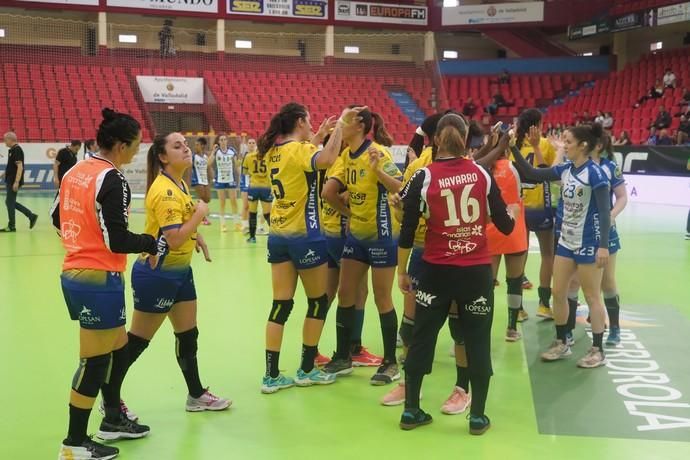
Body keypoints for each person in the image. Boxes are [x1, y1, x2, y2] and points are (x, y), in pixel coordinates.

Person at [397, 113, 515, 434]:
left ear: (435, 141)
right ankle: (477, 416)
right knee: (476, 340)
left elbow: (407, 231)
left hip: (435, 271)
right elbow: (505, 225)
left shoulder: (423, 176)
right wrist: (509, 214)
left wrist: (402, 272)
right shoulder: (481, 174)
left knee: (422, 338)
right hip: (475, 272)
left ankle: (411, 411)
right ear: (465, 140)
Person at [52, 108, 157, 460]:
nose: (137, 152)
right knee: (94, 362)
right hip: (96, 277)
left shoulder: (75, 171)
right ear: (120, 145)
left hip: (80, 273)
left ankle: (112, 418)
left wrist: (78, 242)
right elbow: (118, 240)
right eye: (135, 146)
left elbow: (57, 218)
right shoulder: (113, 179)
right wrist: (151, 243)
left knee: (116, 350)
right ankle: (73, 442)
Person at [124, 132, 231, 414]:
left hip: (180, 272)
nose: (185, 148)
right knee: (137, 342)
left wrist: (198, 236)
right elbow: (172, 239)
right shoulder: (165, 190)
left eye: (185, 144)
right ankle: (109, 398)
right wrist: (200, 213)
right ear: (162, 156)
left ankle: (196, 395)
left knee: (188, 334)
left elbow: (178, 227)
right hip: (157, 274)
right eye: (177, 146)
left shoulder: (179, 183)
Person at [511, 123, 612, 368]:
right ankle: (561, 342)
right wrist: (512, 146)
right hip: (566, 242)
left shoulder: (596, 174)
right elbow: (532, 174)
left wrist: (603, 246)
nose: (563, 146)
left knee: (591, 296)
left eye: (568, 142)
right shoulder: (566, 169)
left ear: (583, 146)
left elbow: (605, 212)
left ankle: (597, 349)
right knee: (558, 293)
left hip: (588, 243)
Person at [259, 102, 344, 393]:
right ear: (298, 121)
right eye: (309, 120)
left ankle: (271, 376)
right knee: (318, 301)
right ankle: (307, 369)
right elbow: (329, 157)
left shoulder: (274, 150)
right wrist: (341, 125)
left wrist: (317, 135)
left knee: (281, 304)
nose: (312, 125)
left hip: (278, 235)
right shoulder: (301, 150)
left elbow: (302, 155)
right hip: (306, 236)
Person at [322, 107, 403, 386]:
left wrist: (377, 170)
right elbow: (327, 192)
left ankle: (390, 362)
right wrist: (347, 215)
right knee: (346, 293)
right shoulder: (346, 155)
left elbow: (399, 187)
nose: (339, 124)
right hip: (356, 236)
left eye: (345, 119)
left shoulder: (379, 152)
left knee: (382, 297)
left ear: (359, 125)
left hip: (382, 236)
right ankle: (343, 357)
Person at [320, 135, 381, 368]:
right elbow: (330, 194)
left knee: (328, 293)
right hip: (343, 234)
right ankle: (354, 348)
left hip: (327, 232)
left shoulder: (325, 163)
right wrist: (350, 213)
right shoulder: (343, 163)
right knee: (359, 292)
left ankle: (312, 347)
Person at [511, 109, 557, 319]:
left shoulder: (513, 145)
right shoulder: (545, 143)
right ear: (537, 124)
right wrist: (538, 146)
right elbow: (547, 171)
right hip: (540, 206)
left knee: (520, 256)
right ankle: (543, 305)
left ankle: (518, 308)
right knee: (548, 254)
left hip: (518, 207)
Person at [1, 132, 37, 232]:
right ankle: (31, 216)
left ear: (10, 139)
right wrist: (3, 175)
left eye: (5, 139)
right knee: (10, 202)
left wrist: (16, 182)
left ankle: (12, 226)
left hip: (13, 181)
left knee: (9, 202)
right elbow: (11, 166)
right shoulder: (12, 150)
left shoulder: (17, 150)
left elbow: (20, 167)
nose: (4, 142)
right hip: (10, 179)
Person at [242, 138, 273, 243]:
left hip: (253, 187)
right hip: (266, 187)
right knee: (267, 214)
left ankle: (252, 237)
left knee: (252, 213)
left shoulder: (248, 156)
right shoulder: (268, 156)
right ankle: (276, 235)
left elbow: (245, 172)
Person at [209, 133, 239, 232]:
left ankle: (236, 224)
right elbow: (208, 164)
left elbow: (237, 165)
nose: (222, 141)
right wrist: (213, 151)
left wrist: (242, 175)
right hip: (220, 180)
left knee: (233, 201)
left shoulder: (232, 151)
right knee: (222, 203)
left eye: (224, 139)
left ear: (227, 141)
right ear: (218, 141)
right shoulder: (216, 151)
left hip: (230, 179)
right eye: (221, 140)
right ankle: (223, 225)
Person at [191, 137, 212, 226]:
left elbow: (208, 168)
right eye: (195, 145)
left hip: (205, 179)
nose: (195, 147)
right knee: (202, 198)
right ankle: (202, 218)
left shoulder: (205, 157)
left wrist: (211, 178)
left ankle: (194, 210)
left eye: (197, 145)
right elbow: (188, 167)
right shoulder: (193, 157)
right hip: (197, 180)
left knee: (207, 199)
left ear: (202, 146)